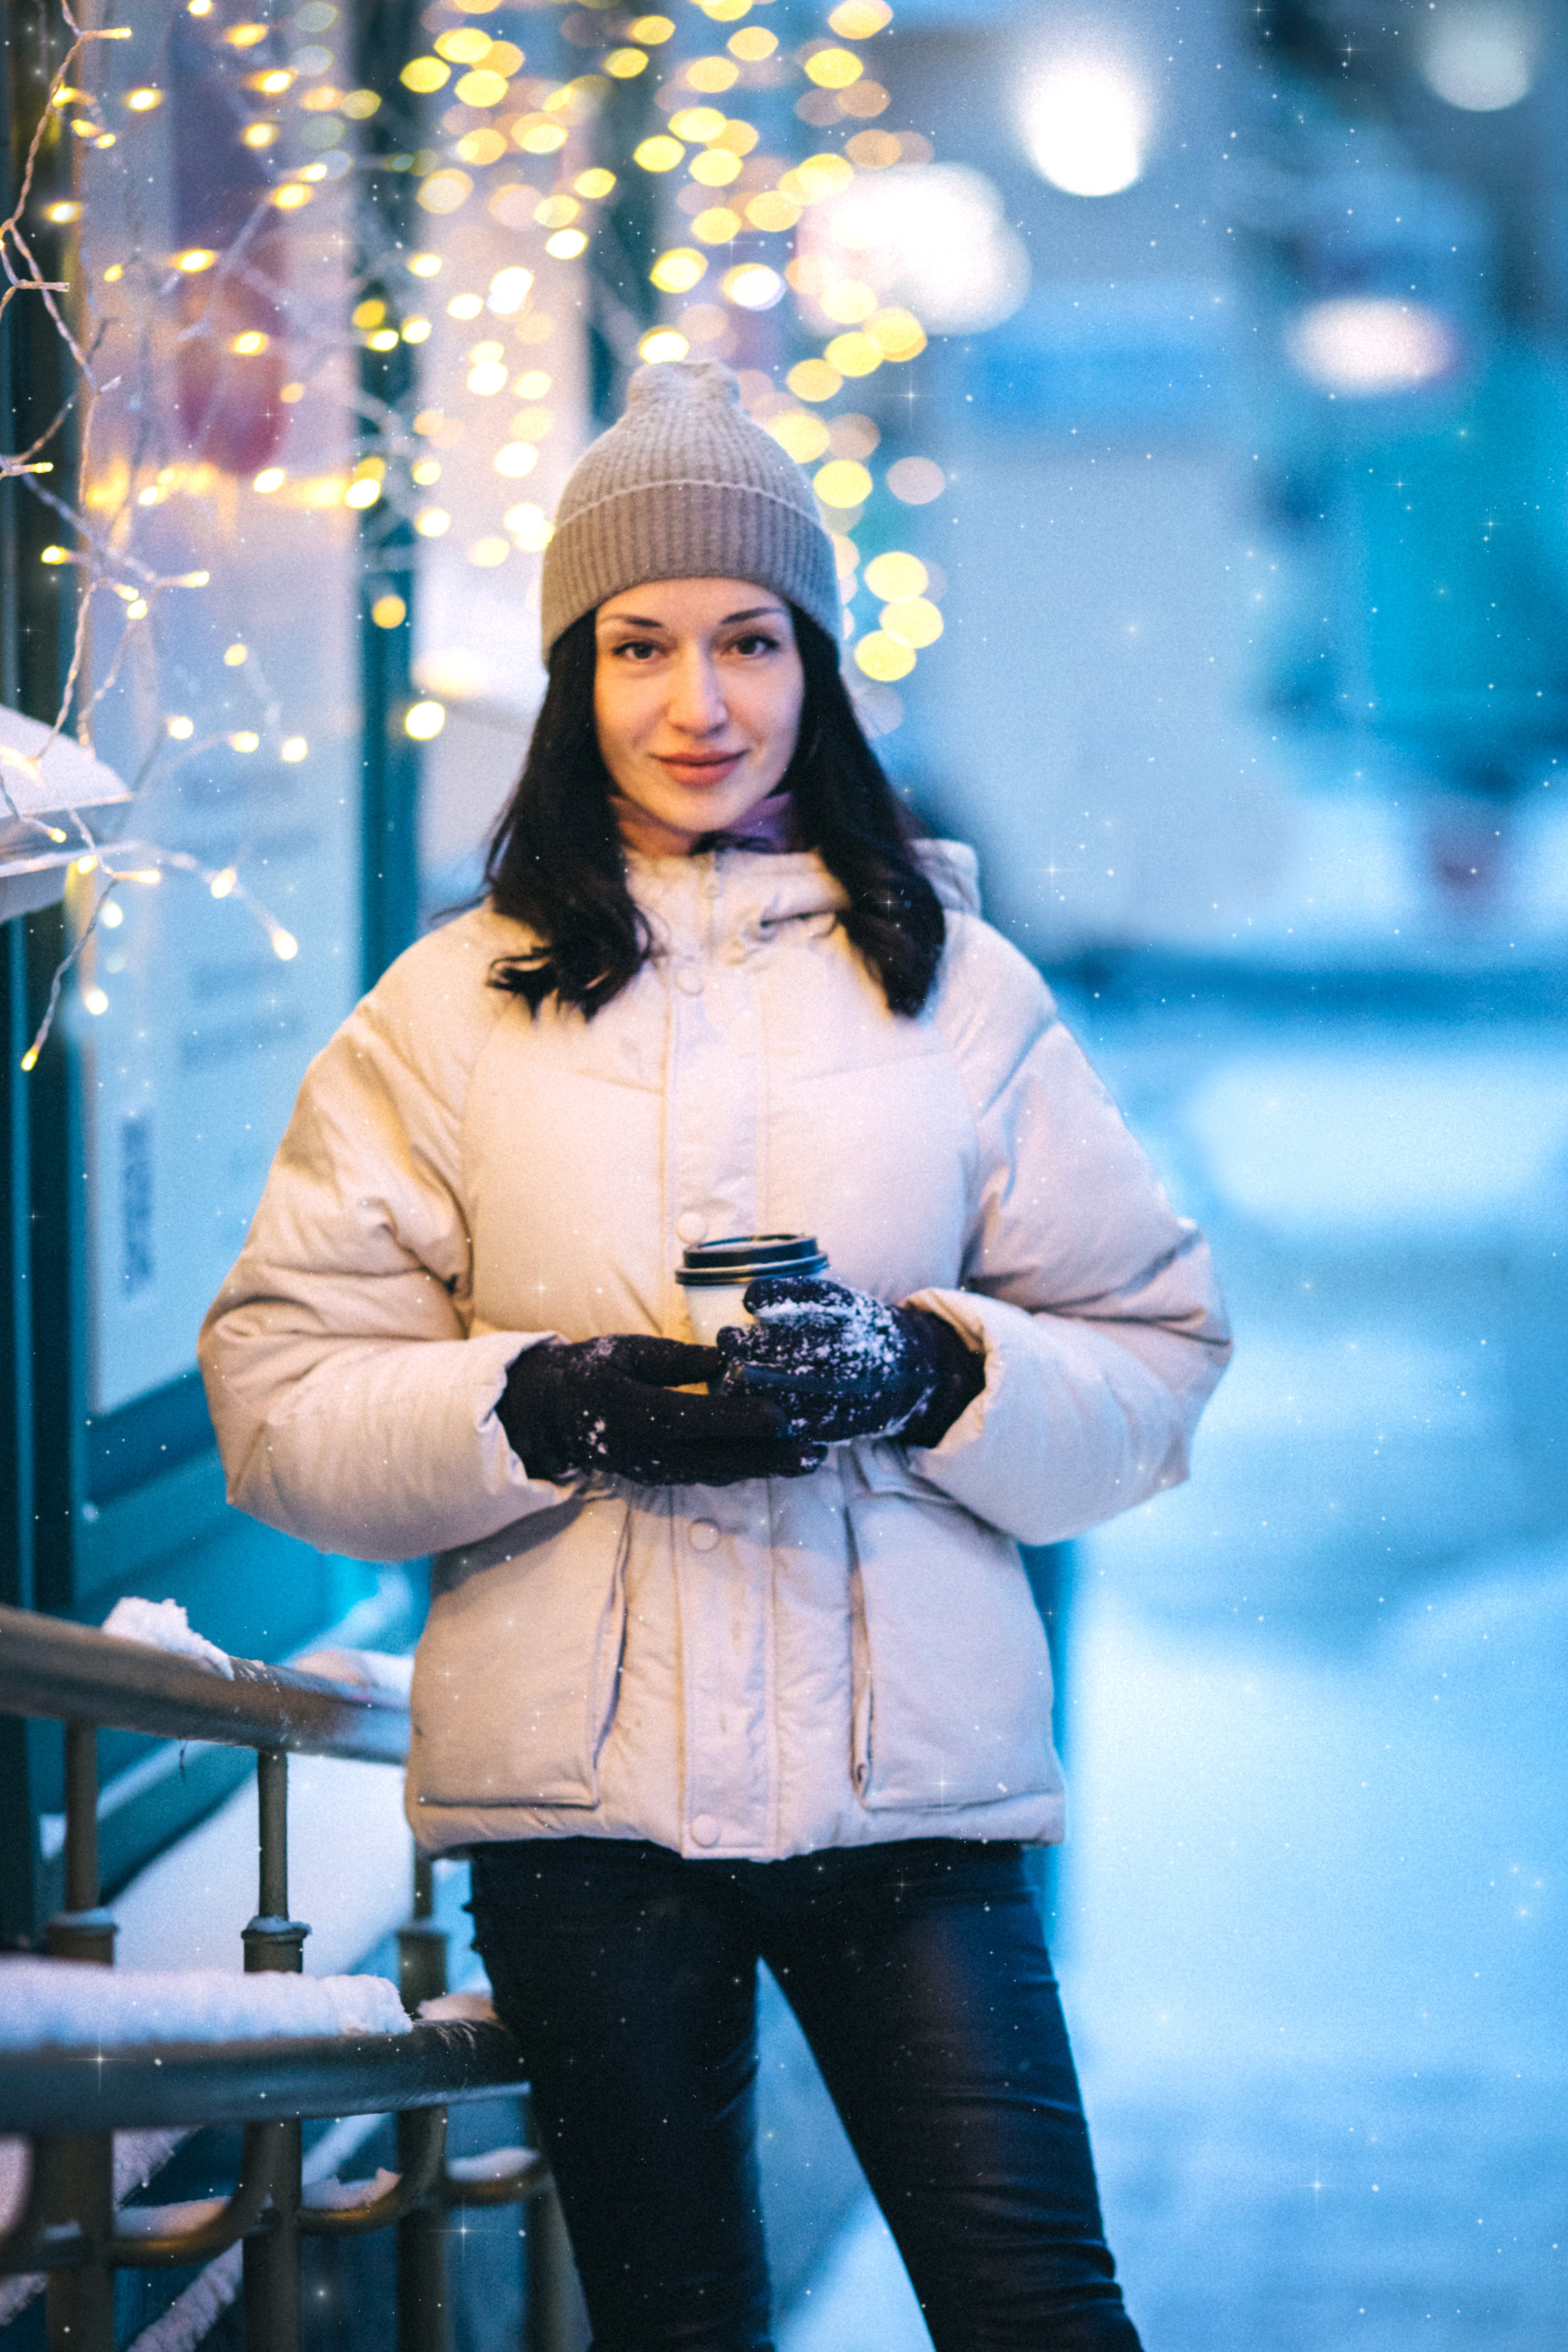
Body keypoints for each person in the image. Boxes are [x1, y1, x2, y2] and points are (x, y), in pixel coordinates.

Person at [201, 360, 1231, 2352]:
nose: (700, 702)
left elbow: (1153, 1354)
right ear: (576, 680)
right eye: (641, 645)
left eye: (750, 640)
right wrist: (541, 1405)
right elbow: (280, 1394)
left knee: (1038, 2308)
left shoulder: (957, 988)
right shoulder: (451, 1010)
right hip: (584, 1822)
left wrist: (929, 1378)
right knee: (677, 2330)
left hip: (906, 1796)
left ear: (814, 667)